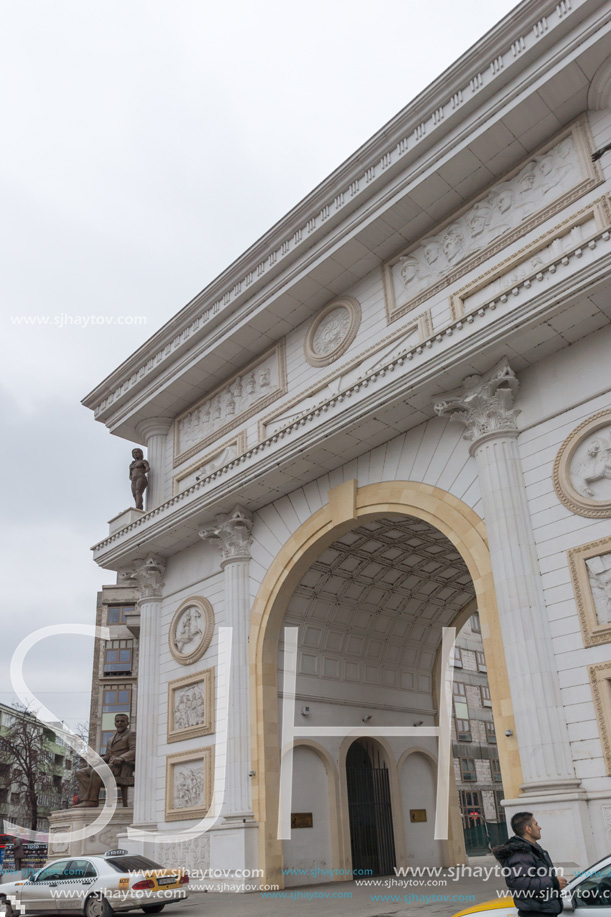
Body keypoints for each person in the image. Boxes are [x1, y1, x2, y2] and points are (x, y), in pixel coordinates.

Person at [493, 812, 567, 915]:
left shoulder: (533, 851)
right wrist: (554, 882)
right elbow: (522, 884)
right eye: (536, 824)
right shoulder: (520, 854)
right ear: (528, 829)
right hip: (536, 913)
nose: (540, 828)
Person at [74, 713, 136, 807]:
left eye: (122, 721)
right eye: (117, 721)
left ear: (127, 723)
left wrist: (121, 758)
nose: (119, 723)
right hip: (110, 766)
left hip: (121, 768)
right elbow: (108, 756)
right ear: (115, 723)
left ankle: (92, 801)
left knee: (96, 772)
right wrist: (97, 761)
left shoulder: (131, 735)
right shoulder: (111, 739)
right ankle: (85, 799)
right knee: (81, 772)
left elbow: (134, 750)